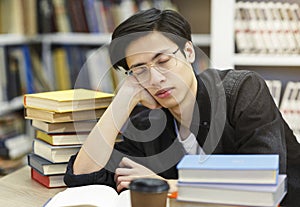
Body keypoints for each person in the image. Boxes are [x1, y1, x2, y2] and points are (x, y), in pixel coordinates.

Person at [64, 8, 300, 206]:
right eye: (140, 70)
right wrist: (123, 99)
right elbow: (83, 176)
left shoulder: (241, 90)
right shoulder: (147, 123)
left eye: (163, 61)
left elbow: (266, 182)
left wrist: (168, 185)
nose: (155, 78)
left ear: (188, 52)